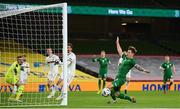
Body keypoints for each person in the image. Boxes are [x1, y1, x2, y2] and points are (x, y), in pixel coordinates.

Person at [106, 37, 150, 103]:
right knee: (116, 94)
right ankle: (130, 98)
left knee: (108, 86)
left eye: (129, 52)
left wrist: (143, 70)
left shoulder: (131, 61)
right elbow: (120, 51)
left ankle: (112, 99)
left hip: (121, 79)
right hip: (117, 78)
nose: (127, 52)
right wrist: (117, 43)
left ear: (132, 54)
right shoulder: (125, 57)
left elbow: (137, 66)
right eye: (127, 51)